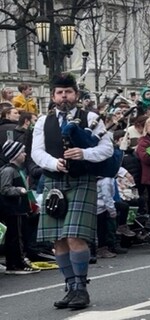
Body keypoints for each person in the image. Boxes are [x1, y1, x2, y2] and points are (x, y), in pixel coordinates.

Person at [31, 73, 114, 309]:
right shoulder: (42, 122)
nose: (64, 96)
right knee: (57, 239)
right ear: (53, 96)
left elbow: (107, 149)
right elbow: (37, 152)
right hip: (53, 181)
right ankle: (69, 285)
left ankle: (81, 287)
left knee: (75, 236)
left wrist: (84, 154)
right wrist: (54, 163)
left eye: (68, 92)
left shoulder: (91, 118)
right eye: (59, 92)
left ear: (76, 95)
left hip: (81, 180)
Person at [0, 140, 40, 275]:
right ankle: (16, 263)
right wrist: (19, 190)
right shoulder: (8, 170)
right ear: (15, 154)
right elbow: (4, 189)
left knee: (19, 235)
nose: (24, 154)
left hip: (20, 209)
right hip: (13, 210)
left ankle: (18, 260)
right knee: (15, 237)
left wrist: (32, 204)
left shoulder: (18, 170)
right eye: (22, 152)